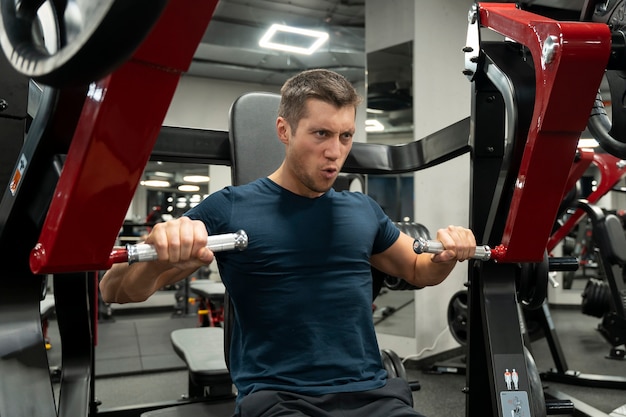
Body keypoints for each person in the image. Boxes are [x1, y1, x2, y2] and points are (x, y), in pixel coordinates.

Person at [100, 68, 477, 417]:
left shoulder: (362, 210)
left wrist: (447, 254)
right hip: (279, 398)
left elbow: (415, 269)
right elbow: (113, 291)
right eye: (321, 134)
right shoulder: (232, 208)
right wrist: (158, 249)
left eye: (345, 136)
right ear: (284, 130)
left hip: (372, 394)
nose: (335, 152)